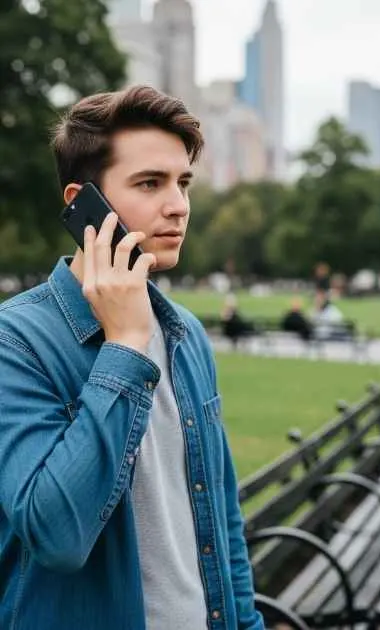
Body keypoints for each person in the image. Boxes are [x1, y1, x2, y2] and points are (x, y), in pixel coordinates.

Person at [0, 85, 264, 629]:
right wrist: (122, 346)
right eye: (150, 183)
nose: (179, 205)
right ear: (82, 202)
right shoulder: (15, 343)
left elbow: (220, 517)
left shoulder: (185, 333)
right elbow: (57, 534)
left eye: (183, 182)